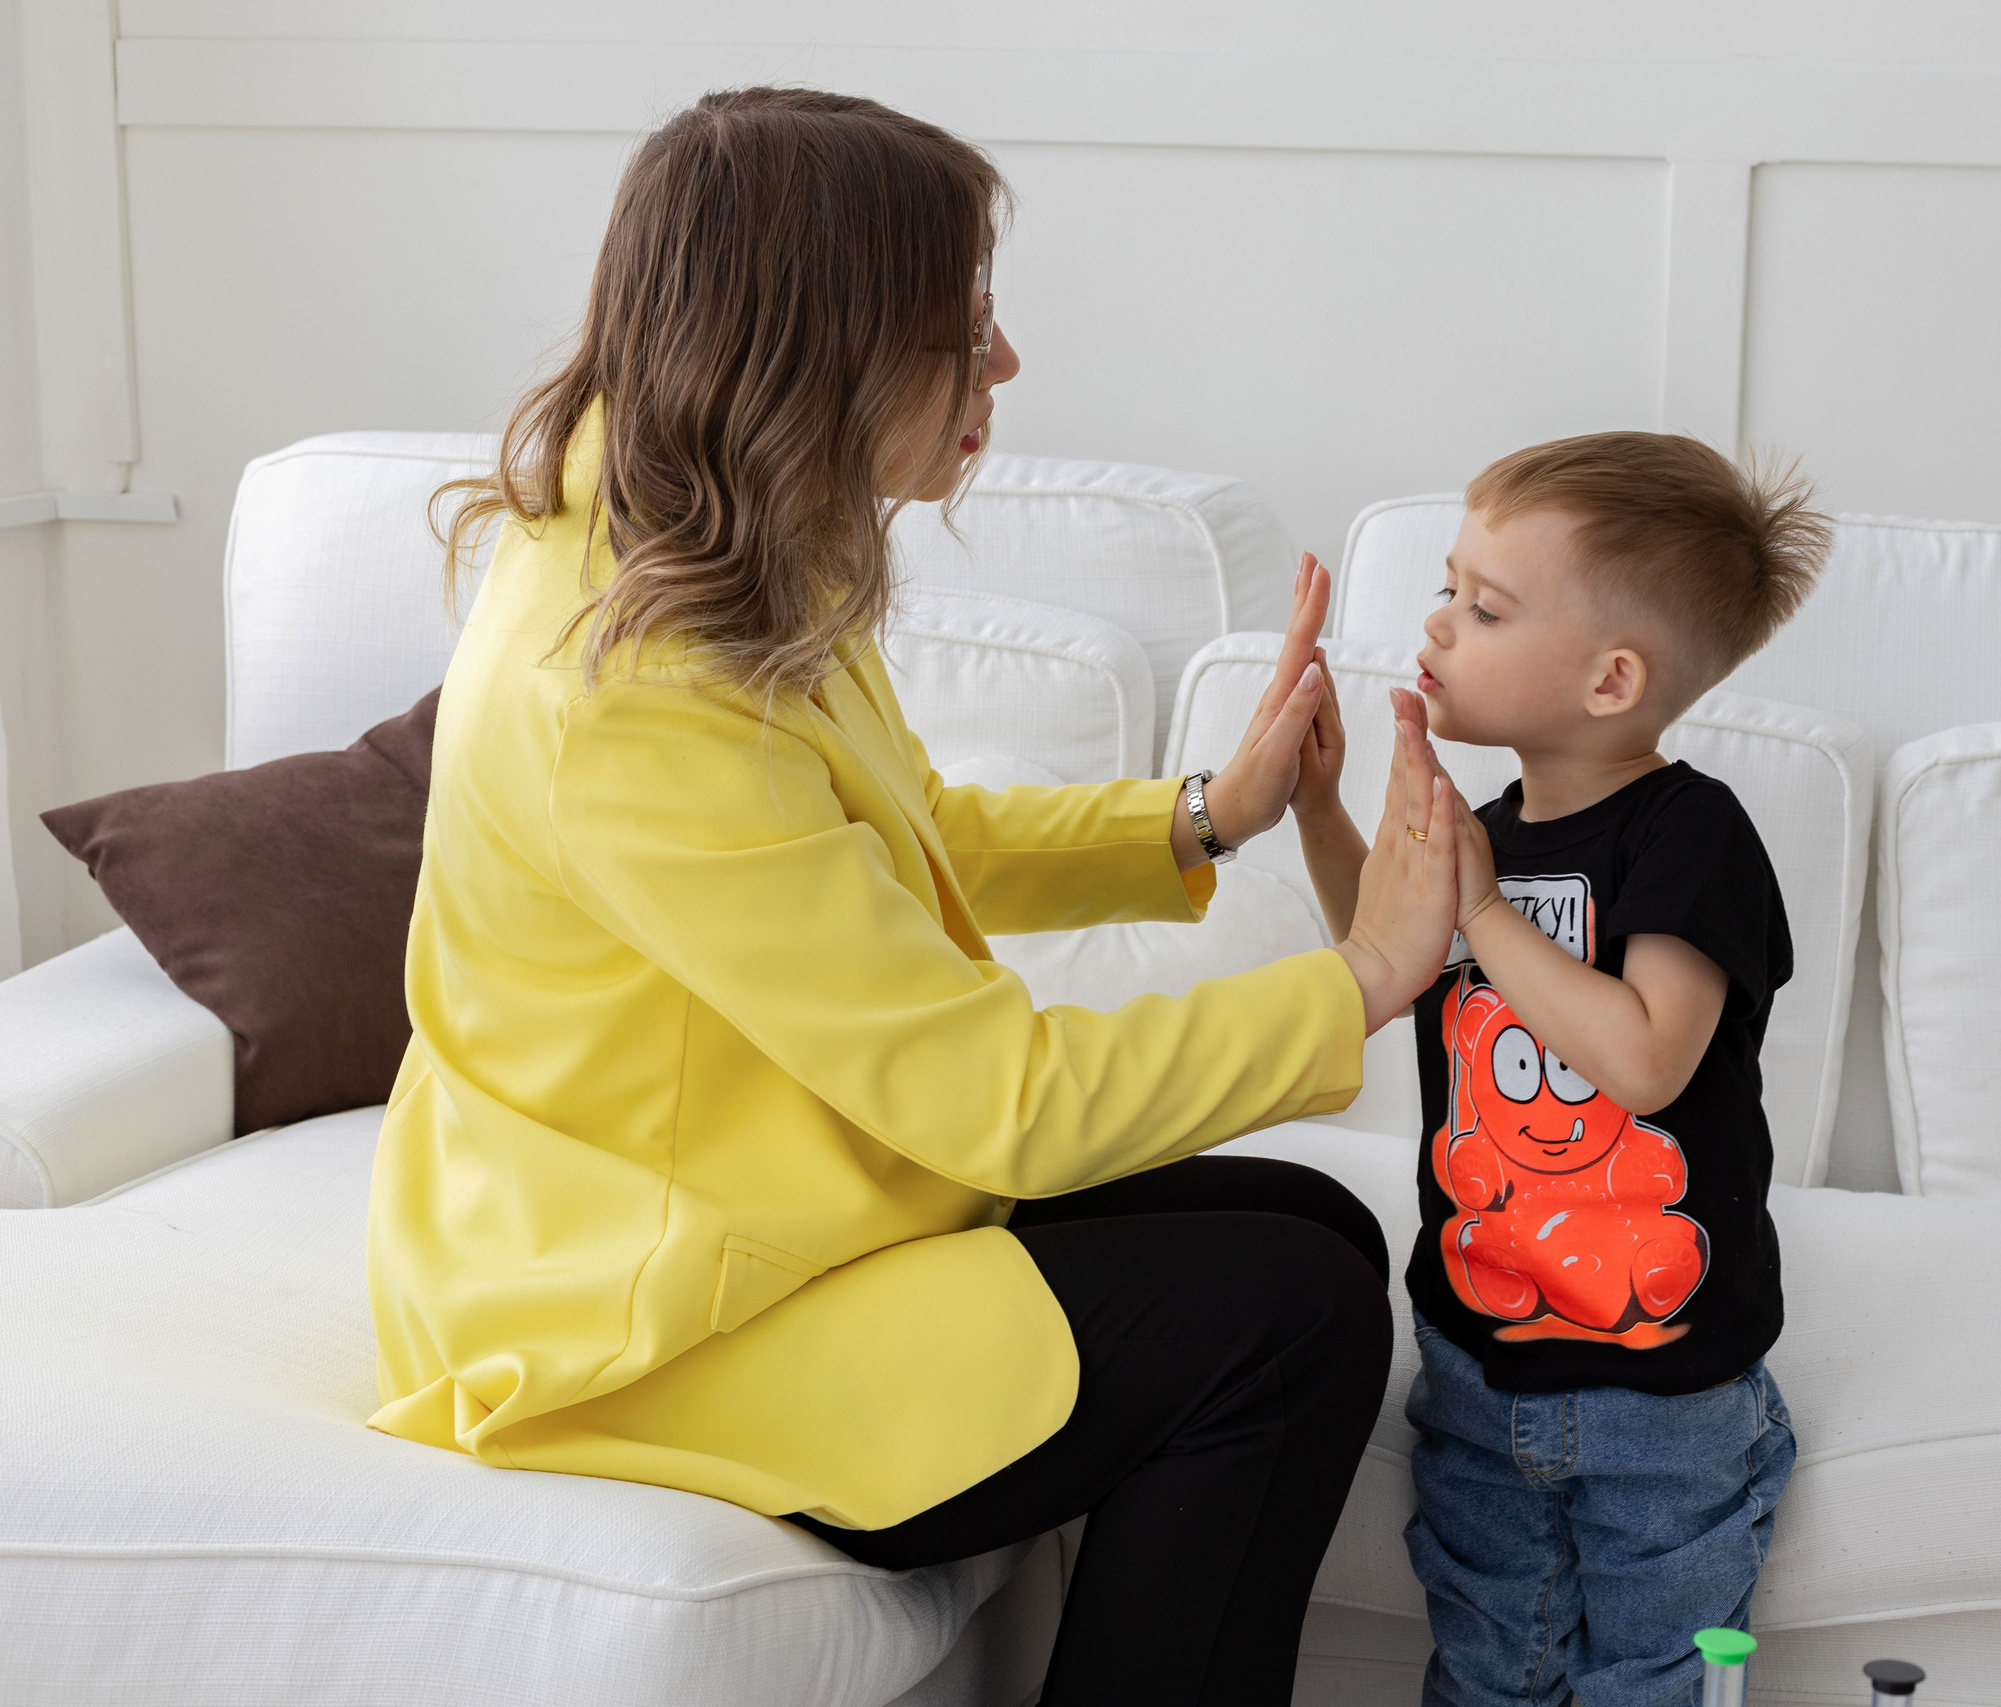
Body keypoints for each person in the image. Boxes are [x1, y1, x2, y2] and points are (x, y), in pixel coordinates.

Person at [365, 88, 1463, 1707]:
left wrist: (1205, 815)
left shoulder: (711, 537)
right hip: (635, 1312)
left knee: (1306, 1221)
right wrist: (1365, 973)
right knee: (1283, 1317)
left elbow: (901, 835)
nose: (1003, 368)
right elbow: (1000, 1101)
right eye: (965, 331)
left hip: (752, 1198)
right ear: (822, 349)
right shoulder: (636, 690)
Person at [1291, 431, 1832, 1707]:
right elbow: (1385, 963)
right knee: (1489, 1664)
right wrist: (1321, 810)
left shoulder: (1689, 832)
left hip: (1664, 1391)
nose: (1436, 623)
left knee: (1655, 1675)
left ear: (1609, 680)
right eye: (1446, 586)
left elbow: (1647, 1058)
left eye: (1482, 607)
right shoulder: (1484, 836)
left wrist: (1482, 915)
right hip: (1481, 1362)